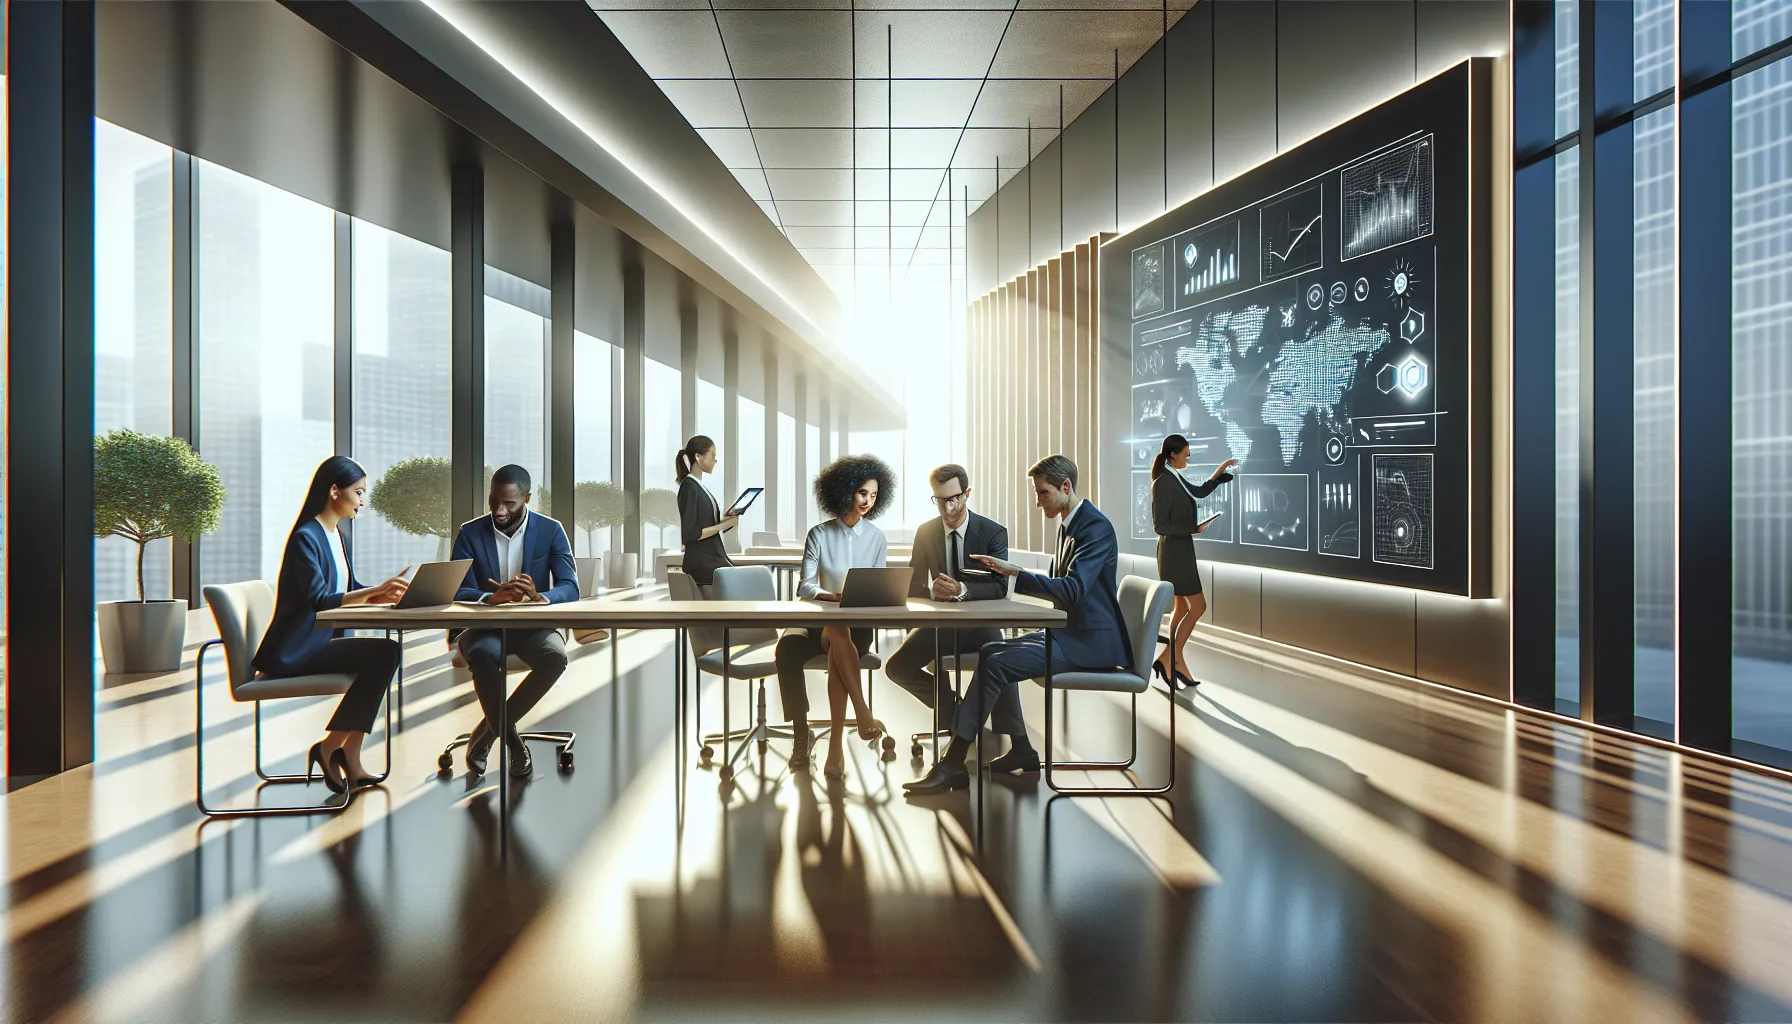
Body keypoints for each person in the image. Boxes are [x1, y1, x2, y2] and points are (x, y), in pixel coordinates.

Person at [903, 454, 1129, 794]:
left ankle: (952, 764)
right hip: (1069, 634)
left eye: (1043, 493)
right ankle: (1022, 751)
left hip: (1088, 644)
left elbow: (1074, 589)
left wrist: (1017, 575)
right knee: (992, 649)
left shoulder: (1094, 527)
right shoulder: (1071, 525)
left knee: (995, 663)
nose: (1038, 502)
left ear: (1065, 487)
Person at [253, 456, 409, 793]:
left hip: (322, 641)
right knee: (384, 655)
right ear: (334, 490)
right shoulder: (305, 538)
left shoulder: (337, 534)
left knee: (386, 653)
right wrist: (374, 591)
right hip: (297, 648)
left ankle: (346, 751)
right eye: (359, 492)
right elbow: (319, 600)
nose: (362, 502)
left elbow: (347, 588)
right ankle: (333, 749)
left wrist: (376, 595)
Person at [450, 464, 581, 778]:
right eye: (494, 500)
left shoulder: (551, 530)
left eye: (508, 503)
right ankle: (513, 744)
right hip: (486, 627)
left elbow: (570, 586)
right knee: (481, 655)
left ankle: (485, 734)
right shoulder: (470, 531)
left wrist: (540, 597)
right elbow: (456, 587)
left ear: (527, 498)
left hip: (533, 626)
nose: (498, 509)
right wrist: (488, 598)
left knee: (555, 657)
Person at [775, 454, 896, 779]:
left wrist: (859, 600)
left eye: (873, 495)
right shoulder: (819, 534)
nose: (868, 501)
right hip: (816, 619)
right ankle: (827, 724)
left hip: (855, 624)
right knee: (787, 649)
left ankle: (835, 747)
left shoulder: (876, 538)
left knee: (840, 635)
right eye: (861, 493)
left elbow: (878, 584)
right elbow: (805, 586)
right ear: (843, 491)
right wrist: (830, 596)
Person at [884, 464, 1010, 732]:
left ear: (967, 494)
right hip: (940, 625)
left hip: (980, 624)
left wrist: (962, 590)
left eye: (953, 499)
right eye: (939, 501)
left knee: (1000, 660)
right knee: (896, 668)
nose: (947, 508)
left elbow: (1000, 586)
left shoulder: (992, 533)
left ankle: (1013, 741)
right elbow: (913, 582)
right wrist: (931, 592)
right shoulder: (926, 532)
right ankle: (955, 709)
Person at [1151, 436, 1236, 688]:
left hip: (1179, 548)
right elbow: (1160, 525)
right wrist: (1192, 527)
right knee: (1198, 606)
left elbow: (1198, 492)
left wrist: (1219, 474)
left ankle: (1174, 661)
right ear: (1173, 454)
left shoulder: (1173, 476)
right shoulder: (1163, 482)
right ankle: (1170, 657)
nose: (1188, 458)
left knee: (1181, 608)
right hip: (1174, 551)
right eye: (1186, 454)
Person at [676, 434, 737, 594]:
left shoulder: (697, 486)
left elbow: (705, 525)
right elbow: (691, 533)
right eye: (713, 455)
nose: (715, 461)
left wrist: (725, 519)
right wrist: (725, 524)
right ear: (698, 456)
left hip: (711, 561)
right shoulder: (689, 488)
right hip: (703, 565)